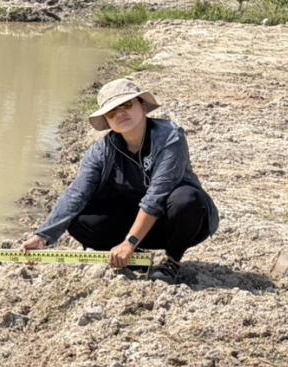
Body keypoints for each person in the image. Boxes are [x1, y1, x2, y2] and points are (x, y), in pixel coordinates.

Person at [22, 77, 218, 284]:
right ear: (107, 121)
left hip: (178, 222)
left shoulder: (170, 137)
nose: (120, 113)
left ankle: (172, 262)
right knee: (80, 218)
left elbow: (157, 195)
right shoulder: (102, 150)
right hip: (132, 221)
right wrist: (43, 236)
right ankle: (135, 258)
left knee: (186, 199)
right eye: (112, 112)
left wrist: (130, 241)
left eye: (126, 105)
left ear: (142, 106)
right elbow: (77, 193)